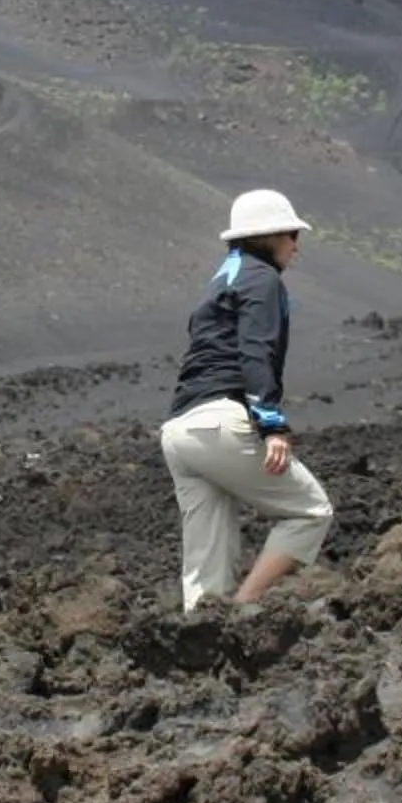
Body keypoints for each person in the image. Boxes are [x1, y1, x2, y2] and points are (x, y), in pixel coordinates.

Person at [159, 188, 335, 609]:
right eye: (293, 235)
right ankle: (244, 608)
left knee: (206, 569)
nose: (296, 247)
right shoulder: (262, 279)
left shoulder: (223, 278)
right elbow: (256, 350)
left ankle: (203, 641)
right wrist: (271, 425)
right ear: (272, 236)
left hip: (180, 430)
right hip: (221, 420)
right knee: (310, 511)